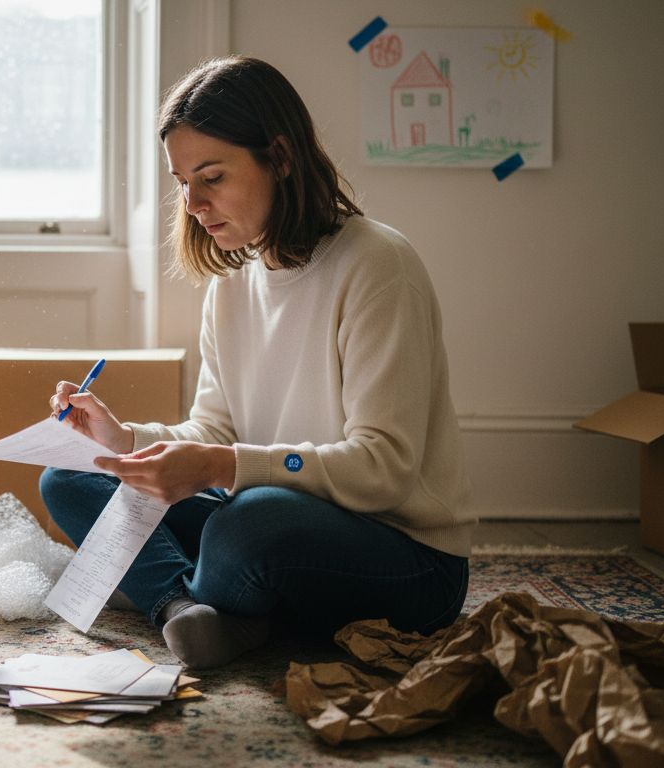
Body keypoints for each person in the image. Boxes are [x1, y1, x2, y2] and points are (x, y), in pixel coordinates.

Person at [40, 55, 473, 669]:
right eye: (182, 181)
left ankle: (210, 595)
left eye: (211, 177)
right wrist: (125, 438)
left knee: (245, 525)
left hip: (407, 557)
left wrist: (222, 465)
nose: (191, 202)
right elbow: (215, 433)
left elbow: (385, 469)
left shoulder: (378, 266)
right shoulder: (233, 286)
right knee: (74, 476)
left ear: (281, 157)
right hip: (273, 516)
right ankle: (185, 612)